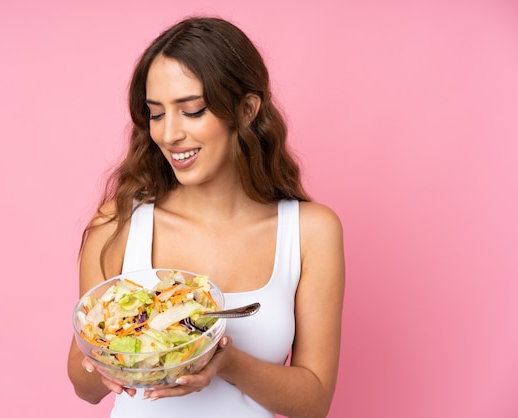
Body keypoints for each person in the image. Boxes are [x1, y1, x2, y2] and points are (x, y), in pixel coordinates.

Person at [67, 16, 345, 418]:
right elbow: (83, 385)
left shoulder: (310, 232)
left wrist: (226, 362)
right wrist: (111, 357)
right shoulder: (118, 224)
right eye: (156, 113)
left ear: (247, 109)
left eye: (192, 110)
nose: (169, 134)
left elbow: (314, 401)